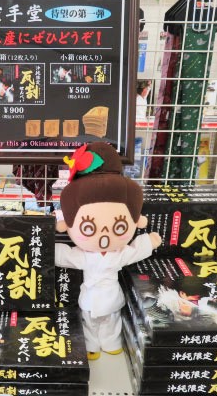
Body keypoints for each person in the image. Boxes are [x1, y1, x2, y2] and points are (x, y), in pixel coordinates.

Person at [55, 142, 162, 360]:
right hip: (90, 298)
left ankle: (111, 342)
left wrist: (148, 242)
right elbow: (65, 256)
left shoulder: (119, 253)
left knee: (112, 321)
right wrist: (48, 249)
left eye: (119, 227)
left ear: (137, 221)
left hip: (111, 297)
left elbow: (135, 250)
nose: (104, 235)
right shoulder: (84, 256)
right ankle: (92, 345)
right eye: (89, 228)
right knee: (89, 323)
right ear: (67, 225)